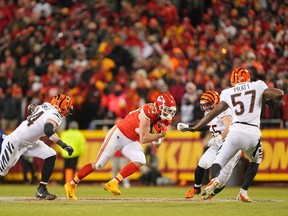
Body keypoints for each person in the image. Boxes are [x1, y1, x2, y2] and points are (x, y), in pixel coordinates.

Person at [188, 67, 284, 202]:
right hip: (253, 133)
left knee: (218, 162)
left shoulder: (227, 92)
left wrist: (195, 127)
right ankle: (243, 192)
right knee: (255, 161)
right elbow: (278, 94)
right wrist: (269, 99)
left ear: (232, 80)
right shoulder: (258, 85)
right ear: (248, 78)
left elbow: (212, 114)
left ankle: (214, 179)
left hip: (235, 131)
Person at [64, 93, 177, 201]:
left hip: (130, 140)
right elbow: (144, 138)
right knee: (98, 165)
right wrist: (160, 134)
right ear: (158, 106)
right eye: (166, 109)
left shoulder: (164, 119)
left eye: (169, 110)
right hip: (118, 134)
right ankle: (71, 184)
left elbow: (156, 144)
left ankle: (113, 182)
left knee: (141, 159)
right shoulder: (147, 112)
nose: (168, 113)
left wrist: (160, 136)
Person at [0, 94, 74, 200]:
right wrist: (63, 145)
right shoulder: (55, 115)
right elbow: (48, 130)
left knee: (51, 155)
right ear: (61, 105)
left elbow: (31, 106)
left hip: (29, 142)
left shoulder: (46, 105)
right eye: (67, 107)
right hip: (15, 142)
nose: (68, 110)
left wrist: (35, 113)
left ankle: (41, 190)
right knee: (2, 171)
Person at [177, 90, 241, 200]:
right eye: (204, 105)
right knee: (202, 163)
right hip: (217, 143)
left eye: (208, 105)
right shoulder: (209, 112)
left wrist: (220, 137)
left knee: (221, 181)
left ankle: (211, 193)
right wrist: (188, 127)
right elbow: (207, 125)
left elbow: (229, 128)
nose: (206, 108)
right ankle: (196, 188)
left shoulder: (224, 110)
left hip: (230, 144)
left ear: (215, 102)